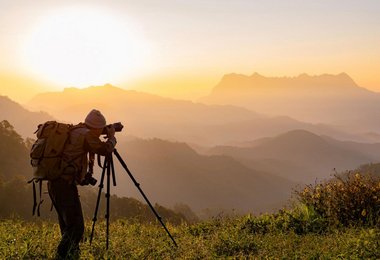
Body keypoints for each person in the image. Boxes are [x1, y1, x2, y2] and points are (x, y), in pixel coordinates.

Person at [48, 109, 117, 259]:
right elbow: (105, 150)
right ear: (97, 128)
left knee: (68, 225)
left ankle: (72, 254)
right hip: (64, 184)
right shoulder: (87, 135)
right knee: (76, 227)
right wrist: (111, 137)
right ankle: (61, 255)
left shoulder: (77, 129)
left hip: (56, 182)